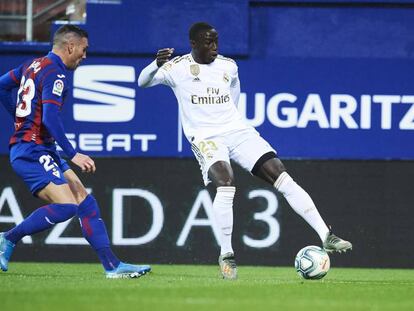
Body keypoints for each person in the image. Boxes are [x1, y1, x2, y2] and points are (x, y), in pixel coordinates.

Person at [138, 22, 352, 280]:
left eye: (216, 41)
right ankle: (227, 253)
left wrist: (233, 122)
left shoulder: (228, 66)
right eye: (208, 42)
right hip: (206, 136)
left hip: (237, 131)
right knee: (226, 182)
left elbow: (234, 92)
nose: (214, 47)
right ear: (194, 43)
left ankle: (325, 235)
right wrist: (155, 64)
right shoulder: (177, 68)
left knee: (281, 174)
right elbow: (143, 82)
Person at [0, 25, 151, 279]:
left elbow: (2, 86)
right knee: (68, 206)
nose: (85, 55)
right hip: (32, 149)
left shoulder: (32, 65)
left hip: (40, 147)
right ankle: (8, 238)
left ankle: (112, 267)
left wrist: (19, 118)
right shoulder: (55, 73)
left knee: (84, 201)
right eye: (84, 49)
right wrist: (73, 153)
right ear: (70, 46)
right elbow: (49, 117)